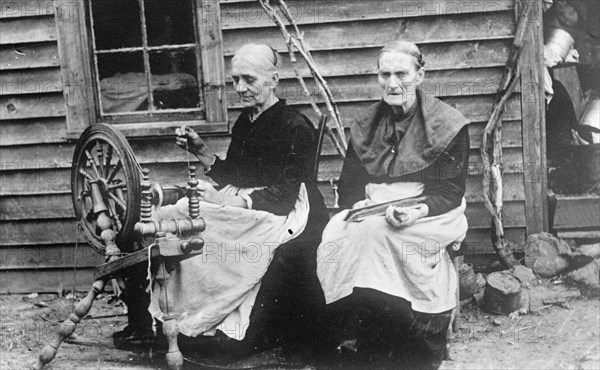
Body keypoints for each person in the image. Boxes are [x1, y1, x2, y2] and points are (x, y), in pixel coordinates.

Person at [149, 43, 329, 361]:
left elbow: (288, 191)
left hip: (284, 212)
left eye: (249, 79)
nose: (240, 88)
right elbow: (236, 174)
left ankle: (218, 326)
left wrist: (225, 200)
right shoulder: (246, 122)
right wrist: (202, 150)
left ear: (273, 79)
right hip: (249, 203)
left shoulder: (294, 126)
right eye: (235, 80)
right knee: (173, 214)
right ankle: (186, 321)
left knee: (193, 219)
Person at [315, 40, 470, 369]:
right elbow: (350, 188)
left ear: (420, 75)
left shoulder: (448, 123)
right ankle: (366, 331)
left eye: (402, 73)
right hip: (375, 207)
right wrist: (362, 208)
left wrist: (416, 210)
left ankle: (416, 337)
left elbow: (450, 191)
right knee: (337, 236)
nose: (392, 83)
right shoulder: (366, 124)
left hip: (431, 208)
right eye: (385, 74)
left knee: (380, 237)